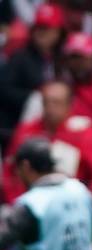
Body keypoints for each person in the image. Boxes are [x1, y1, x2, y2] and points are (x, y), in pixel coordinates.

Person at [3, 80, 92, 202]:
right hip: (30, 203)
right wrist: (19, 202)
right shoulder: (26, 131)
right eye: (46, 102)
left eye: (56, 103)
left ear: (69, 105)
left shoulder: (84, 133)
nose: (50, 108)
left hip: (72, 203)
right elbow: (9, 173)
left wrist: (84, 201)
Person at [0, 3, 64, 146]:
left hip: (54, 126)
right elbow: (3, 89)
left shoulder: (60, 58)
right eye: (38, 28)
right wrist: (33, 97)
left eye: (46, 28)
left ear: (58, 32)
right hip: (18, 125)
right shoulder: (21, 57)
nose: (41, 33)